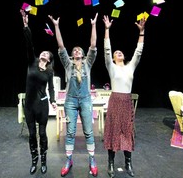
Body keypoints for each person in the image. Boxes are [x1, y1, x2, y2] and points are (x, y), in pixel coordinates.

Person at [48, 13, 99, 177]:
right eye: (74, 50)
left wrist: (93, 25)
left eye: (79, 50)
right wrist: (56, 26)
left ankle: (92, 160)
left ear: (83, 54)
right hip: (70, 101)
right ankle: (69, 160)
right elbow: (61, 46)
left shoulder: (88, 63)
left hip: (85, 100)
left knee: (89, 132)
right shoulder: (68, 64)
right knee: (69, 132)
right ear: (72, 55)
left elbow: (93, 45)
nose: (76, 50)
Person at [102, 15, 146, 177]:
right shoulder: (111, 67)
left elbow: (138, 51)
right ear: (113, 58)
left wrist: (142, 32)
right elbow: (107, 50)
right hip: (115, 101)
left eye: (120, 52)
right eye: (116, 52)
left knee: (127, 131)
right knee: (113, 131)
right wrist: (107, 30)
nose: (118, 53)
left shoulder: (130, 67)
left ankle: (128, 163)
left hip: (126, 102)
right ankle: (111, 163)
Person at [20, 9, 57, 175]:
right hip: (29, 105)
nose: (43, 53)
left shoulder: (49, 72)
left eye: (46, 54)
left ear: (49, 59)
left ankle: (44, 159)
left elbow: (51, 87)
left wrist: (53, 100)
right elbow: (29, 45)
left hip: (42, 106)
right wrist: (26, 25)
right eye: (42, 52)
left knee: (42, 134)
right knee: (32, 134)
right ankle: (34, 160)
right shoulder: (31, 62)